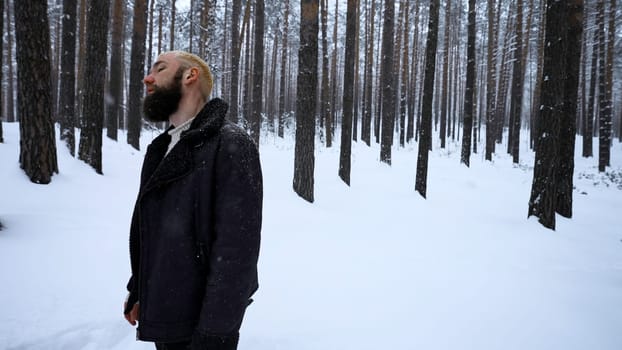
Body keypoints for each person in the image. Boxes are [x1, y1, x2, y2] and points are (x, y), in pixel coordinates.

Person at [123, 51, 262, 350]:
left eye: (160, 69)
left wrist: (215, 333)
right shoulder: (163, 148)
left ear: (190, 76)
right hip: (167, 313)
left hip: (204, 325)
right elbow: (158, 232)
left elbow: (237, 252)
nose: (147, 78)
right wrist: (140, 290)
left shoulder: (231, 143)